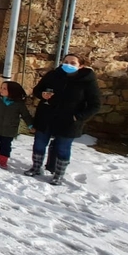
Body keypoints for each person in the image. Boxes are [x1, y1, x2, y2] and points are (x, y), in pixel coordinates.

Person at [25, 54, 102, 185]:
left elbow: (95, 105)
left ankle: (58, 174)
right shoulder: (53, 75)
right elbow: (37, 90)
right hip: (46, 116)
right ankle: (36, 167)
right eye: (66, 62)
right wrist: (42, 94)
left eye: (73, 63)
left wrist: (78, 116)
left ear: (81, 65)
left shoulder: (87, 81)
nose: (68, 65)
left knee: (63, 147)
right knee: (39, 143)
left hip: (68, 121)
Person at [0, 81, 34, 168]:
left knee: (6, 146)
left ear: (12, 91)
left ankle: (3, 159)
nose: (1, 90)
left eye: (4, 88)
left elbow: (26, 115)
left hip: (9, 130)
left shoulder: (19, 104)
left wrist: (30, 125)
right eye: (1, 87)